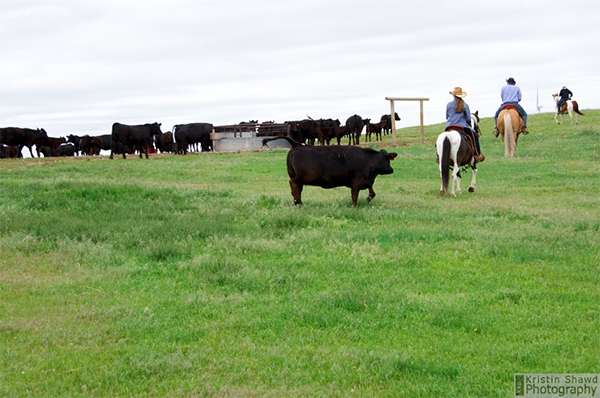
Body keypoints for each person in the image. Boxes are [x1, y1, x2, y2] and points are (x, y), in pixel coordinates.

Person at [445, 87, 484, 163]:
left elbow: (447, 117)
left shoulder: (449, 104)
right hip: (461, 127)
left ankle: (439, 157)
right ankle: (477, 155)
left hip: (449, 127)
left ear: (453, 95)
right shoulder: (465, 105)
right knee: (475, 136)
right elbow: (468, 118)